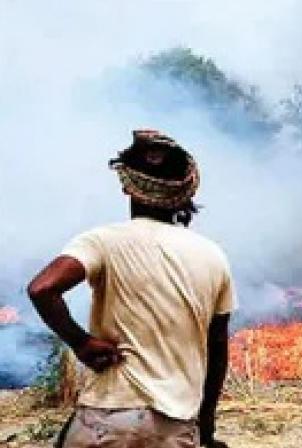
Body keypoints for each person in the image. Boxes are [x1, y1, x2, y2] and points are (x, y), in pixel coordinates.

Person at [27, 130, 234, 448]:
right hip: (176, 424)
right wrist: (205, 424)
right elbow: (217, 347)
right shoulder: (213, 255)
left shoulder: (102, 241)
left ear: (126, 186)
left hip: (107, 417)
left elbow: (43, 288)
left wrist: (80, 342)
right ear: (185, 192)